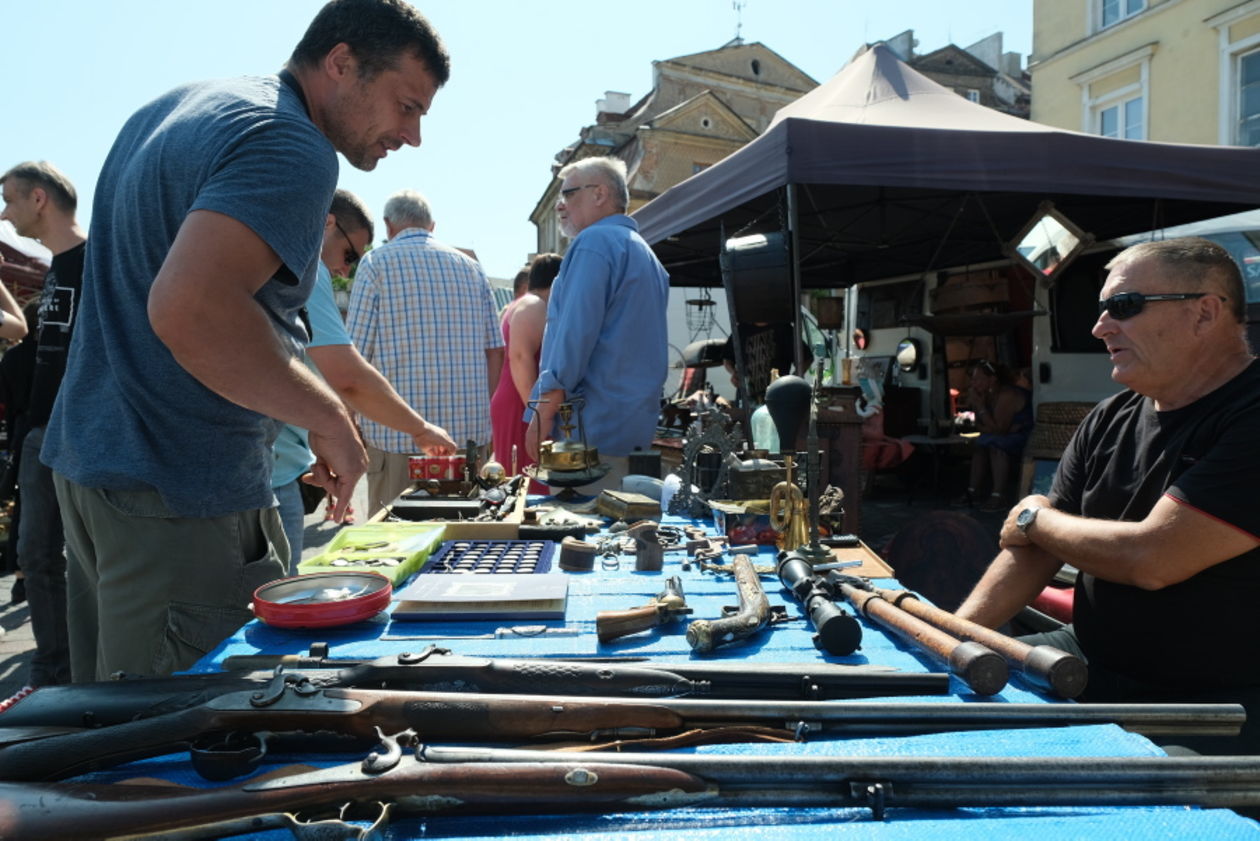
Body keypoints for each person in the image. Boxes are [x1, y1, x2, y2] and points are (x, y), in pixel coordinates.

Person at [41, 0, 451, 681]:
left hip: (92, 472)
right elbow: (190, 310)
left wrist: (311, 405)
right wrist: (327, 414)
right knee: (184, 756)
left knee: (107, 742)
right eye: (405, 106)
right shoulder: (295, 145)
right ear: (341, 63)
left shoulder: (181, 107)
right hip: (180, 492)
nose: (411, 136)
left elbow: (216, 307)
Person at [955, 237, 1260, 754]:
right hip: (1092, 660)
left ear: (1206, 313)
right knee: (930, 697)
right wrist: (953, 639)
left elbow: (1154, 557)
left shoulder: (1250, 415)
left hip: (1222, 702)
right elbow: (1033, 556)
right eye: (1101, 311)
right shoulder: (1109, 417)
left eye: (1124, 307)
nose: (1100, 327)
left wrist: (1033, 517)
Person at [271, 189, 454, 565]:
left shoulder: (268, 260)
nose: (347, 269)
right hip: (268, 476)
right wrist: (419, 429)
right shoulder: (310, 267)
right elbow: (347, 375)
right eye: (350, 254)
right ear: (328, 224)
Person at [346, 189, 504, 514]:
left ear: (389, 226)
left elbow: (355, 355)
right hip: (468, 444)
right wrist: (476, 413)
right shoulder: (471, 269)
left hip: (399, 442)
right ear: (432, 225)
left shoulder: (376, 264)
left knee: (395, 548)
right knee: (465, 546)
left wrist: (348, 421)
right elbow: (495, 351)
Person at [526, 157, 669, 493]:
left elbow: (574, 338)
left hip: (588, 437)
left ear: (599, 194)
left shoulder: (593, 244)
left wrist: (541, 414)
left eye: (568, 194)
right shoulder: (646, 254)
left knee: (578, 538)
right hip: (632, 431)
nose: (561, 206)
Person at [1, 161, 81, 687]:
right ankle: (54, 669)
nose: (5, 217)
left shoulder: (95, 263)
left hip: (77, 435)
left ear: (38, 199)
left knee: (75, 556)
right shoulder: (56, 269)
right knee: (35, 554)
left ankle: (71, 669)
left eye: (9, 201)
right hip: (41, 432)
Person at [491, 252, 561, 489]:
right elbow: (519, 358)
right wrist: (536, 415)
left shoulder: (520, 304)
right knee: (527, 484)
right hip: (520, 405)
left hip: (517, 402)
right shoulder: (535, 305)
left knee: (518, 482)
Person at [958, 359, 1032, 511]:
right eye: (972, 379)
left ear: (992, 379)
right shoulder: (985, 395)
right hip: (1004, 433)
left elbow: (999, 429)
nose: (973, 383)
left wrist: (979, 406)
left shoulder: (1007, 394)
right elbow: (981, 426)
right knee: (980, 444)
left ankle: (998, 495)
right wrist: (979, 405)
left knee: (995, 446)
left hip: (1023, 435)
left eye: (978, 379)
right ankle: (973, 491)